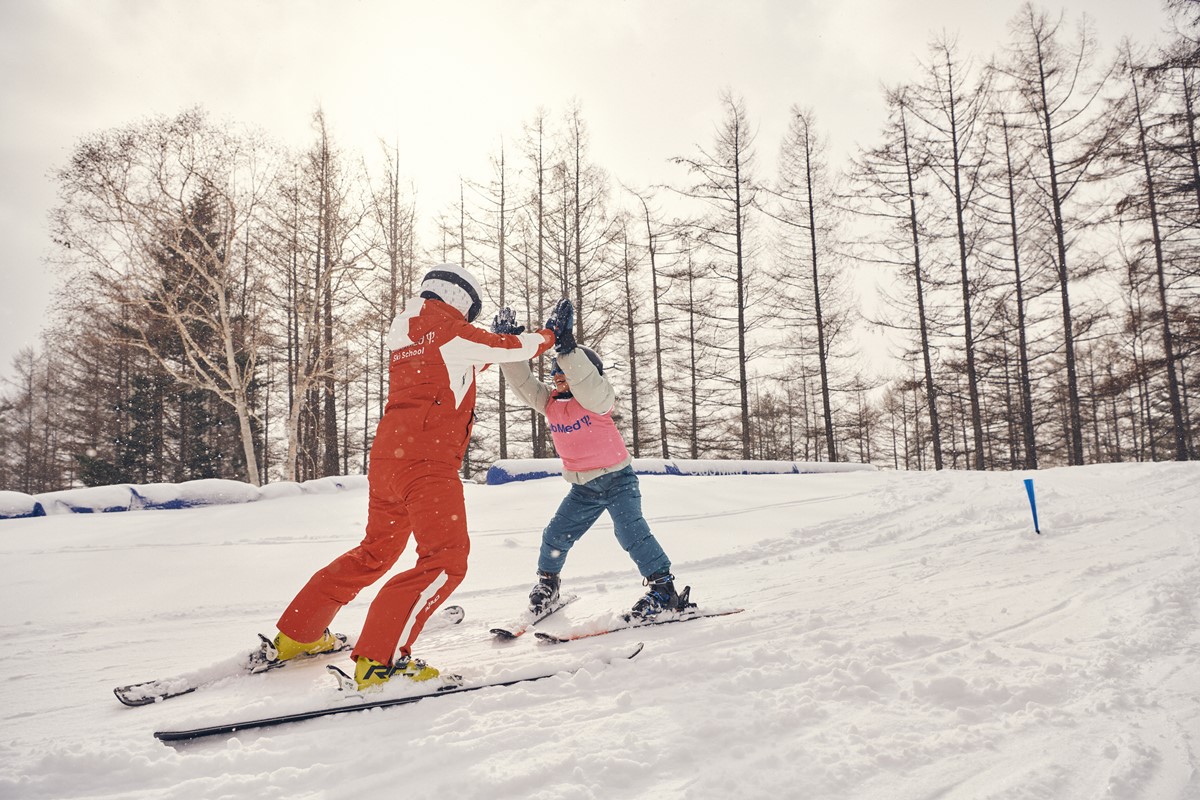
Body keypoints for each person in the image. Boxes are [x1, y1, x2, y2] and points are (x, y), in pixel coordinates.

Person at [267, 264, 556, 691]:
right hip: (427, 465)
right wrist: (548, 334)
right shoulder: (451, 331)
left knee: (374, 553)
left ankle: (297, 635)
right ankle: (380, 663)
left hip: (389, 460)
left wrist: (490, 351)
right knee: (445, 560)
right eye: (471, 312)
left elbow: (454, 370)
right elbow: (509, 346)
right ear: (462, 301)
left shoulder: (406, 332)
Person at [491, 298, 693, 620]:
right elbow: (523, 383)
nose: (558, 378)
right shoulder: (550, 403)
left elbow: (588, 385)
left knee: (631, 532)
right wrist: (509, 351)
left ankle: (663, 589)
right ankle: (548, 584)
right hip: (583, 488)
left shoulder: (598, 401)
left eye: (564, 373)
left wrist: (567, 349)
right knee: (555, 535)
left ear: (586, 373)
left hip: (618, 481)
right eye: (555, 374)